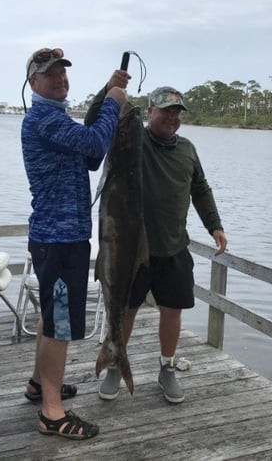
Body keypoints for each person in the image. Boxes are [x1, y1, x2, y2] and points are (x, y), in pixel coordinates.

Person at [85, 85, 228, 404]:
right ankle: (113, 362)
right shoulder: (133, 142)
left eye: (177, 112)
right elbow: (95, 123)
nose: (171, 118)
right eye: (165, 111)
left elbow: (200, 189)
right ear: (150, 112)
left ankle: (167, 368)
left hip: (174, 247)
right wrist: (110, 88)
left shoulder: (188, 149)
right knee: (126, 310)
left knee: (172, 310)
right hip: (131, 250)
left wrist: (214, 225)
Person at [21, 47, 130, 439]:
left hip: (59, 237)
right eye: (50, 74)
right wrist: (114, 102)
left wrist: (105, 93)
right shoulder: (43, 119)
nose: (60, 79)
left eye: (63, 73)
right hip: (60, 238)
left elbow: (88, 160)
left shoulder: (57, 119)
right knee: (60, 325)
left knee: (52, 314)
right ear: (33, 82)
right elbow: (95, 144)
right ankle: (52, 411)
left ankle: (39, 383)